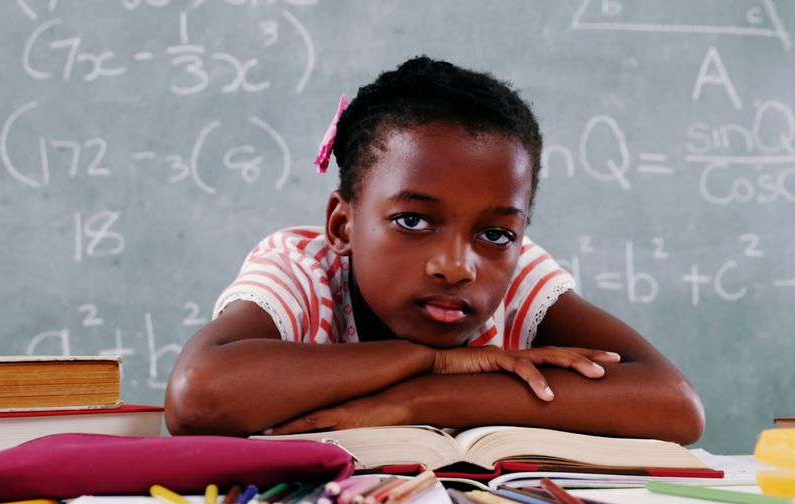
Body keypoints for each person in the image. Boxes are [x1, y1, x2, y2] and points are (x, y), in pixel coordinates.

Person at [165, 56, 704, 444]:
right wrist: (436, 359)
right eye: (413, 220)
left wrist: (420, 400)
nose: (457, 266)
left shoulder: (520, 279)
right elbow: (197, 397)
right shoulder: (301, 270)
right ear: (342, 225)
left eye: (496, 234)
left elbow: (675, 404)